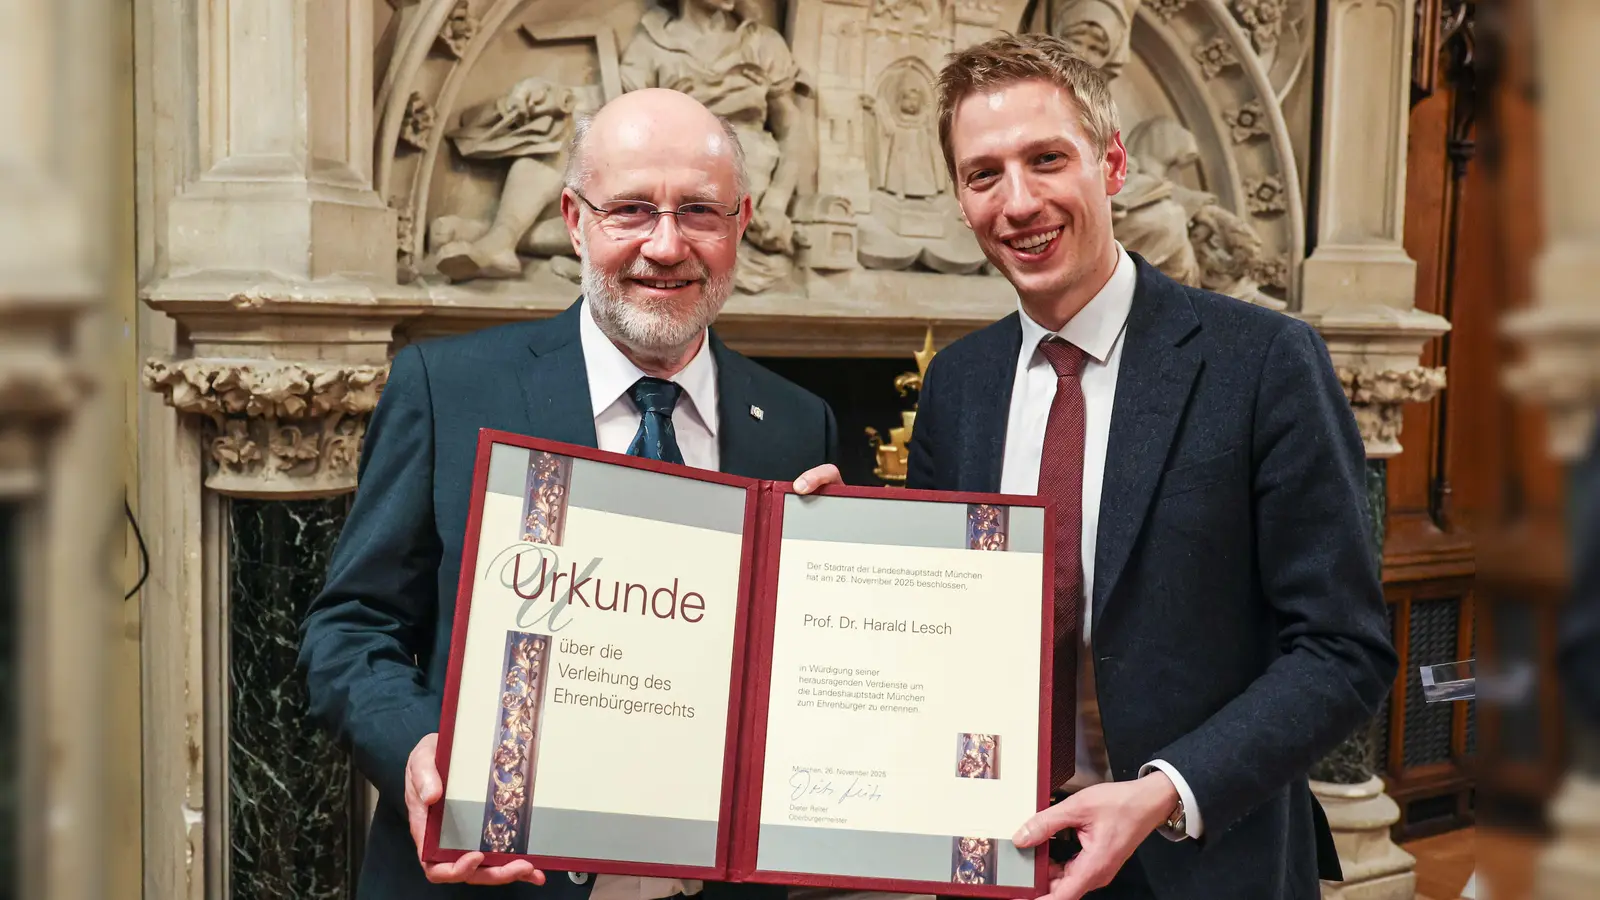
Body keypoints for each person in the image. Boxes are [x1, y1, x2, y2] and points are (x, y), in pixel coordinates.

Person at [797, 32, 1396, 900]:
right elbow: (936, 626)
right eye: (984, 174)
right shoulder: (958, 385)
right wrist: (845, 550)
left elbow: (1343, 649)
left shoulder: (1263, 361)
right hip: (1002, 852)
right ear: (960, 198)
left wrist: (1166, 793)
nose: (1018, 202)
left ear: (1111, 164)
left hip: (1202, 857)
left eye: (1047, 159)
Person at [298, 86, 838, 898]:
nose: (666, 246)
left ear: (742, 224)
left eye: (699, 211)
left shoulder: (798, 424)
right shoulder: (448, 389)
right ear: (574, 220)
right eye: (630, 210)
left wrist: (837, 577)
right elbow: (349, 630)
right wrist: (417, 750)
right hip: (492, 882)